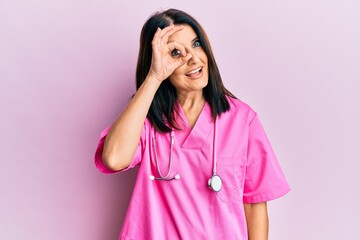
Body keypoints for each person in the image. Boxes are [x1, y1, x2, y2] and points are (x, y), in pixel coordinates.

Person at [95, 8, 290, 240]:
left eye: (196, 44)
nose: (193, 59)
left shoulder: (242, 119)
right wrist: (155, 77)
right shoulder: (147, 120)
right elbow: (114, 158)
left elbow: (255, 204)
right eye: (176, 52)